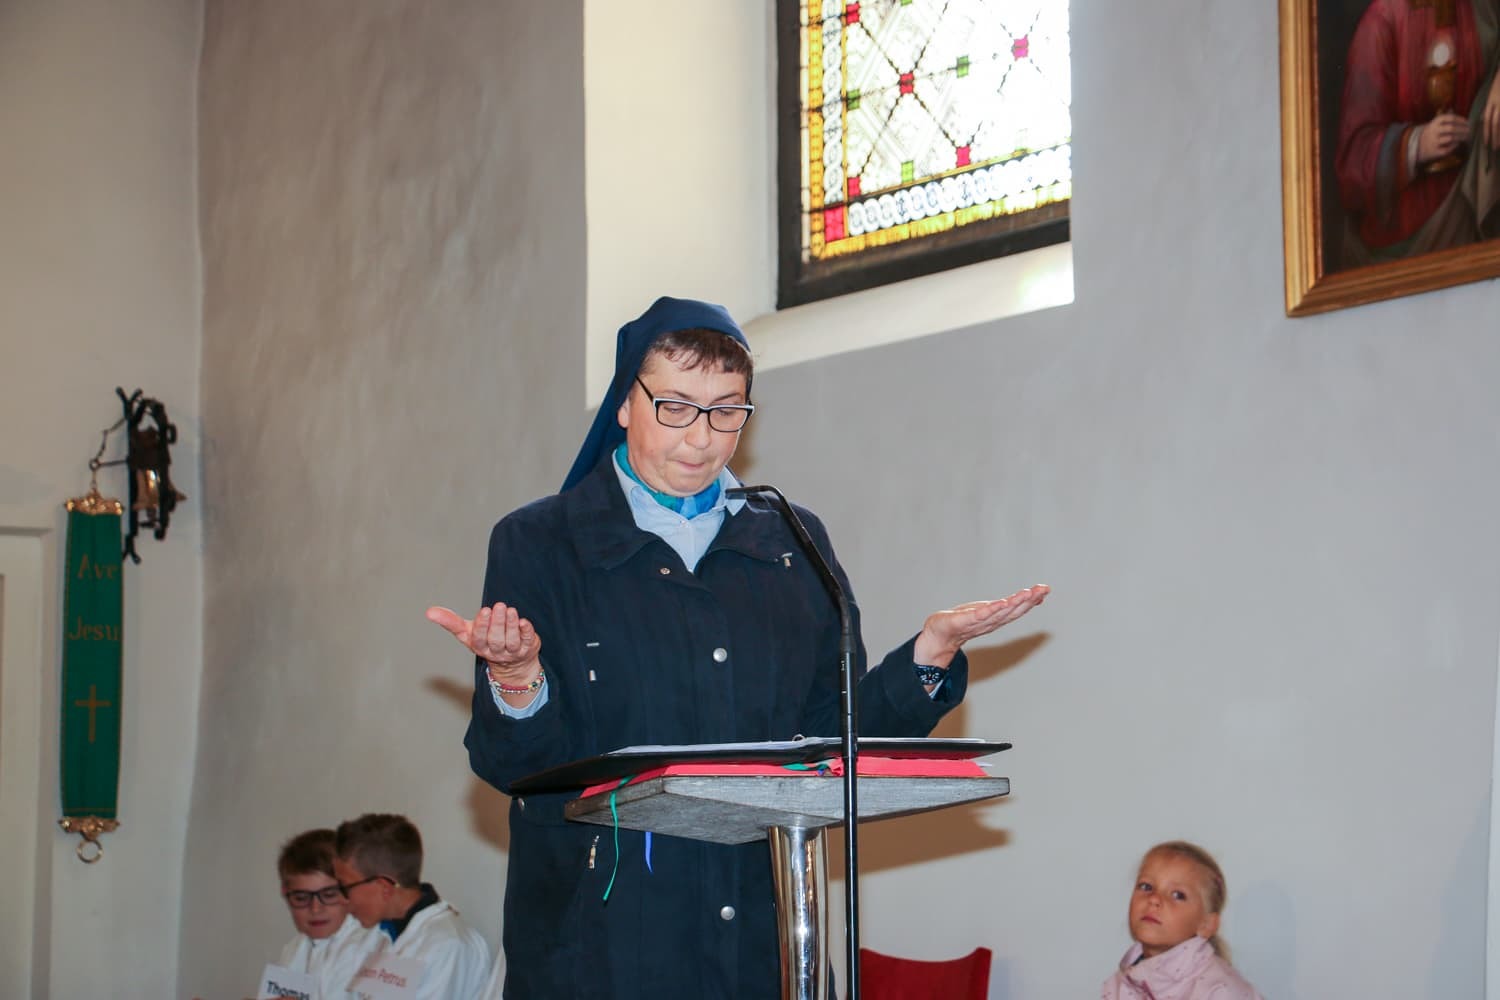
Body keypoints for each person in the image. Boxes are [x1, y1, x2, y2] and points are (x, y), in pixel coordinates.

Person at [427, 295, 1048, 999]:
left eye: (726, 411)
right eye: (675, 407)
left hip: (762, 930)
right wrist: (516, 676)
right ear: (625, 403)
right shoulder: (541, 541)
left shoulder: (791, 539)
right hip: (605, 939)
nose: (701, 437)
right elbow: (518, 768)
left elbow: (832, 735)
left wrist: (929, 655)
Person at [1334, 0, 1500, 265]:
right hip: (1407, 246)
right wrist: (1417, 144)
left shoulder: (1481, 8)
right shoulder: (1381, 21)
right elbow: (1352, 163)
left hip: (1477, 221)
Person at [331, 813, 490, 1000]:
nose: (342, 900)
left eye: (344, 887)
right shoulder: (380, 932)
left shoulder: (447, 945)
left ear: (384, 888)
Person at [1101, 841, 1264, 1000]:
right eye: (1146, 886)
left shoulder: (1221, 991)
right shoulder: (1120, 985)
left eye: (1177, 895)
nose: (1154, 898)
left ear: (1206, 924)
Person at [271, 828, 382, 1000]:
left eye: (329, 895)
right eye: (301, 898)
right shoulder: (293, 949)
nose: (315, 909)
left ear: (348, 890)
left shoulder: (377, 945)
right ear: (285, 893)